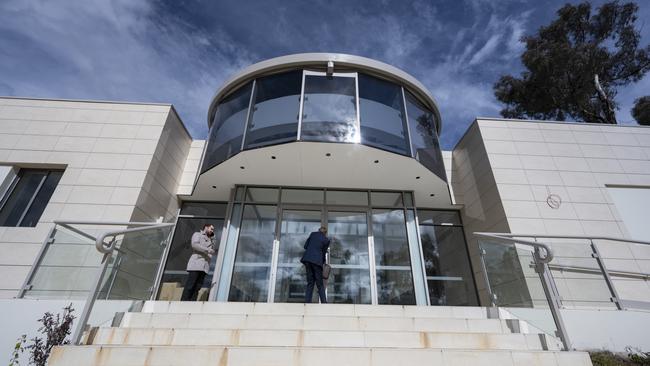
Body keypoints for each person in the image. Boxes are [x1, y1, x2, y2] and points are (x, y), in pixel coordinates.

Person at [180, 223, 215, 301]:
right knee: (190, 285)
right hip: (196, 263)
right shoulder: (197, 234)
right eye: (211, 229)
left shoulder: (211, 239)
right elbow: (194, 245)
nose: (212, 231)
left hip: (205, 266)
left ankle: (192, 303)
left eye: (213, 230)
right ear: (206, 227)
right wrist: (208, 250)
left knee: (197, 287)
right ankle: (184, 302)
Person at [301, 226, 330, 303]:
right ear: (325, 233)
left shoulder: (313, 234)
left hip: (307, 260)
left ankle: (307, 302)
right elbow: (323, 253)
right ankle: (324, 302)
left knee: (310, 282)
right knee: (319, 283)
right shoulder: (326, 240)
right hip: (317, 262)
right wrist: (323, 262)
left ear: (318, 231)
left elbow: (305, 246)